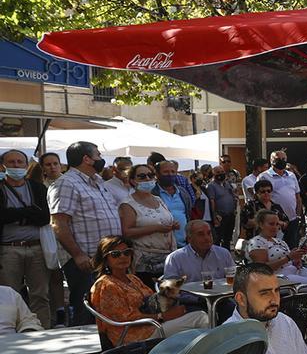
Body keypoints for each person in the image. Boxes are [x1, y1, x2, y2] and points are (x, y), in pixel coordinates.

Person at [49, 141, 122, 326]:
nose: (101, 159)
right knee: (86, 313)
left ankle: (107, 353)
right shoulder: (66, 183)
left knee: (108, 311)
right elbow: (58, 224)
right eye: (98, 155)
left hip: (107, 258)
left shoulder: (98, 181)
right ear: (86, 159)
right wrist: (78, 255)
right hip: (85, 262)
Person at [89, 235, 208, 344]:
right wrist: (162, 316)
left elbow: (152, 299)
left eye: (127, 252)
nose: (123, 257)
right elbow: (122, 318)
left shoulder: (132, 278)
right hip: (133, 335)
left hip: (153, 325)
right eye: (115, 254)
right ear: (105, 259)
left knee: (197, 311)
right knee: (200, 318)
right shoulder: (106, 285)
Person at [0, 149, 53, 329]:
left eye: (19, 162)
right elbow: (2, 216)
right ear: (3, 166)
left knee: (40, 294)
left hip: (36, 248)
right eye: (11, 162)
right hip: (8, 249)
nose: (16, 165)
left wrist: (15, 215)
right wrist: (28, 213)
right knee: (9, 295)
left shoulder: (37, 188)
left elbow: (44, 217)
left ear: (26, 165)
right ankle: (12, 334)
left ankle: (42, 331)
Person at [118, 163, 179, 285]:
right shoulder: (128, 204)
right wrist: (156, 228)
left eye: (150, 175)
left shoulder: (158, 199)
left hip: (167, 257)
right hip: (145, 262)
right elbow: (126, 232)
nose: (147, 179)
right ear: (133, 181)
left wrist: (172, 225)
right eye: (142, 176)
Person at [245, 210, 307, 291]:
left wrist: (296, 258)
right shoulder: (256, 242)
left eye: (277, 224)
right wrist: (288, 257)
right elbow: (262, 268)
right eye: (271, 224)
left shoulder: (280, 241)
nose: (275, 227)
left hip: (294, 272)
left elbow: (291, 261)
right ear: (261, 225)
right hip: (277, 278)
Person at [259, 150, 303, 246]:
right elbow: (260, 198)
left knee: (292, 247)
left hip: (292, 219)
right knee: (275, 247)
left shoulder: (291, 176)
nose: (281, 161)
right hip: (275, 222)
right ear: (271, 161)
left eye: (284, 159)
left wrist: (298, 215)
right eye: (278, 159)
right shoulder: (264, 176)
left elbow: (298, 197)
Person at [205, 163, 238, 248]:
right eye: (218, 172)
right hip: (220, 216)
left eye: (222, 171)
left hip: (230, 215)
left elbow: (233, 196)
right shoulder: (211, 186)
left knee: (228, 238)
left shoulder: (227, 184)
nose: (220, 174)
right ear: (214, 174)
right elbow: (212, 201)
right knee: (218, 238)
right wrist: (215, 216)